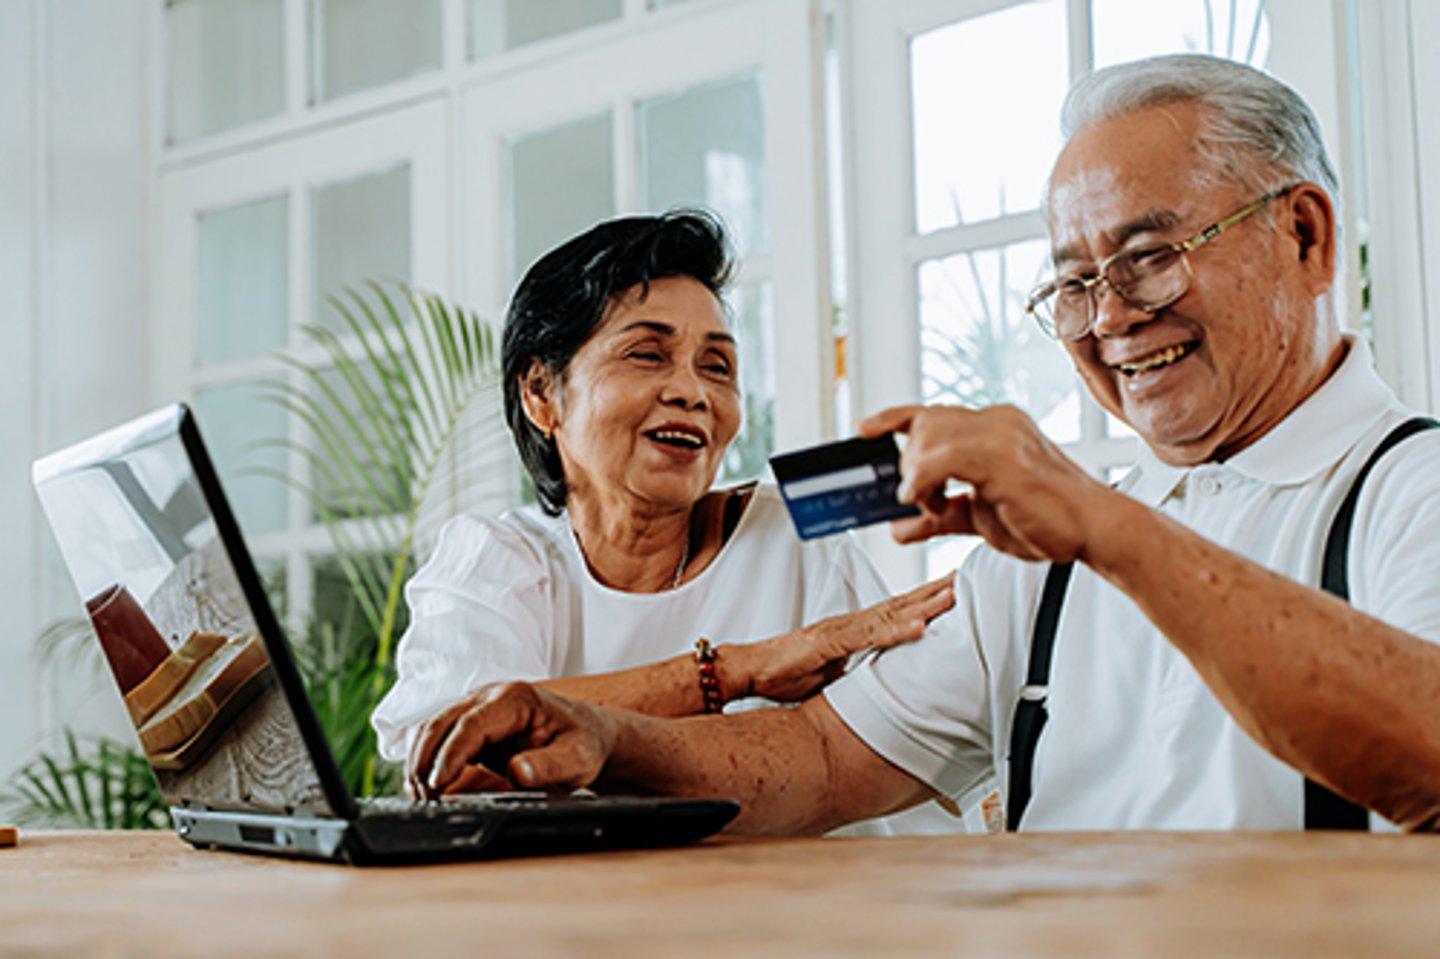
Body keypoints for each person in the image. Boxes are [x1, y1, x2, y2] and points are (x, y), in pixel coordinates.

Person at [404, 54, 1440, 835]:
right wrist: (612, 740)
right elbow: (816, 751)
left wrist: (1105, 523)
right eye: (1075, 283)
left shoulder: (1412, 487)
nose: (1112, 317)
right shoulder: (1041, 563)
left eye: (1150, 257)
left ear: (1304, 235)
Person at [370, 210, 958, 833]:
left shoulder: (789, 542)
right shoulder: (495, 557)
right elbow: (455, 765)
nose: (692, 392)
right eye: (648, 354)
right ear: (541, 393)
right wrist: (732, 670)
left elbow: (910, 750)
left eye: (717, 366)